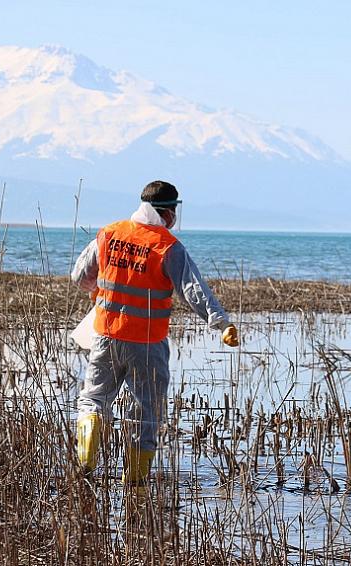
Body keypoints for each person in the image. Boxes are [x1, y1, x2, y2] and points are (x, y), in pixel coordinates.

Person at [71, 180, 239, 491]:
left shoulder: (109, 233)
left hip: (105, 336)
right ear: (169, 213)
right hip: (147, 343)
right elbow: (193, 291)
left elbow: (80, 275)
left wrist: (96, 289)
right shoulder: (167, 246)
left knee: (93, 400)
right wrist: (221, 323)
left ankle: (86, 459)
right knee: (145, 409)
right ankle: (134, 482)